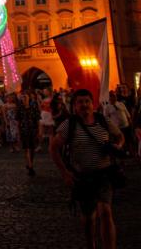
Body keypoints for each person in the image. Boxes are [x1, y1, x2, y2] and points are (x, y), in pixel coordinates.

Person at [50, 88, 124, 249]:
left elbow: (119, 136)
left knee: (105, 211)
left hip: (104, 173)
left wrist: (117, 146)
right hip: (82, 176)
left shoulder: (103, 121)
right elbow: (53, 147)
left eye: (87, 101)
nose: (84, 105)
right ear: (74, 106)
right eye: (80, 102)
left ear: (93, 104)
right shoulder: (69, 125)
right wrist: (65, 173)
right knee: (89, 217)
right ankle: (91, 244)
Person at [17, 91, 41, 176]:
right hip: (24, 130)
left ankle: (30, 162)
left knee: (32, 149)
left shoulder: (33, 106)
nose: (24, 99)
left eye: (25, 97)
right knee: (27, 148)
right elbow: (18, 121)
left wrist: (39, 130)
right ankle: (30, 167)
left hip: (33, 130)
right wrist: (18, 133)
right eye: (22, 97)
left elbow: (38, 119)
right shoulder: (20, 107)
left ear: (29, 97)